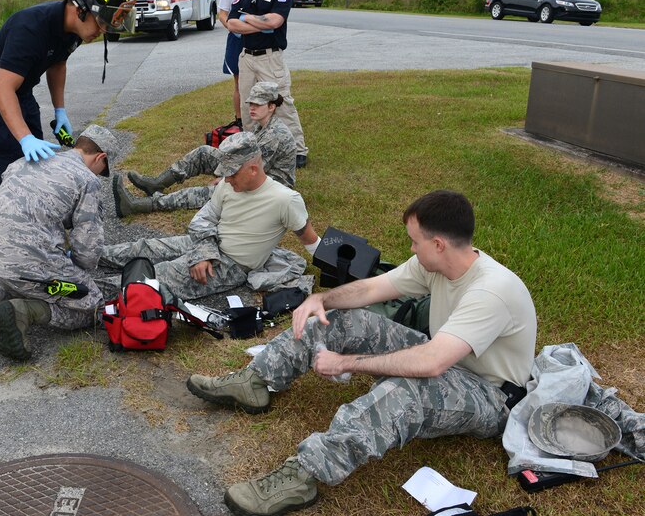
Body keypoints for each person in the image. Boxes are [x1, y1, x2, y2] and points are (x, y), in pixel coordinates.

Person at [187, 190, 537, 516]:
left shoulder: (492, 292)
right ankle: (257, 379)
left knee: (405, 392)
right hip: (447, 358)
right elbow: (373, 288)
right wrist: (321, 299)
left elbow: (432, 363)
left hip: (490, 396)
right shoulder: (438, 264)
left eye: (415, 242)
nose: (411, 249)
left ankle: (306, 474)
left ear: (439, 244)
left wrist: (346, 362)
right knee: (348, 320)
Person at [0, 125, 117, 361]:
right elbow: (87, 250)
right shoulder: (87, 180)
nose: (99, 175)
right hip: (27, 263)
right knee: (93, 303)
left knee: (32, 280)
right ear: (101, 157)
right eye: (102, 170)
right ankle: (25, 312)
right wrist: (77, 273)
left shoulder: (26, 160)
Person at [102, 132, 320, 300]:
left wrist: (345, 275)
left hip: (229, 265)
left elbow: (312, 242)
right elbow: (202, 220)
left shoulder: (285, 200)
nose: (226, 179)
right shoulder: (227, 185)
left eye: (232, 173)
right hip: (205, 244)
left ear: (253, 169)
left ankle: (81, 294)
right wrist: (204, 252)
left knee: (149, 280)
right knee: (143, 248)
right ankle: (82, 256)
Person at [0, 0, 136, 181]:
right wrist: (24, 138)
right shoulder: (30, 28)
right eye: (102, 21)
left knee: (40, 159)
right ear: (80, 9)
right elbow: (2, 90)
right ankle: (15, 208)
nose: (103, 30)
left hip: (21, 90)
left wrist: (60, 110)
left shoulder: (75, 31)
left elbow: (58, 64)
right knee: (16, 166)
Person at [113, 81, 296, 216]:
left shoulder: (275, 135)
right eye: (251, 103)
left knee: (211, 193)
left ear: (271, 107)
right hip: (254, 174)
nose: (252, 108)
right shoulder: (262, 124)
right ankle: (156, 184)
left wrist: (226, 179)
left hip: (268, 189)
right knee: (204, 152)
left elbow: (253, 173)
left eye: (258, 104)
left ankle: (138, 205)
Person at [227, 0, 308, 168]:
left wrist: (247, 19)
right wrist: (259, 24)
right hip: (247, 58)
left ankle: (298, 149)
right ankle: (252, 149)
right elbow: (231, 23)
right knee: (249, 106)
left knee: (282, 103)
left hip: (270, 59)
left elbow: (275, 23)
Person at [219, 0, 253, 124]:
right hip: (236, 39)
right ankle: (239, 120)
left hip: (257, 39)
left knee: (258, 82)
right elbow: (222, 13)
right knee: (239, 82)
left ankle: (261, 120)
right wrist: (232, 27)